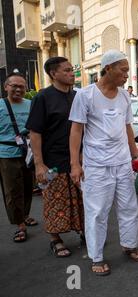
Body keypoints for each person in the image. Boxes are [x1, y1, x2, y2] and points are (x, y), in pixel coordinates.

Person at [69, 50, 138, 276]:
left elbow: (127, 127)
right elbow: (76, 130)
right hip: (97, 164)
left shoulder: (124, 96)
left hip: (122, 163)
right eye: (123, 70)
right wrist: (75, 163)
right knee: (97, 211)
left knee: (129, 206)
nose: (126, 75)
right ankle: (97, 256)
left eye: (127, 71)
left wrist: (135, 155)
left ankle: (129, 244)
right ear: (108, 68)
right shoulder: (85, 95)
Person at [26, 57, 84, 257]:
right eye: (67, 70)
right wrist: (39, 164)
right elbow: (35, 133)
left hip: (77, 159)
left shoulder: (78, 96)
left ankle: (85, 232)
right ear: (53, 74)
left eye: (72, 70)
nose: (72, 73)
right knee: (54, 202)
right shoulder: (42, 97)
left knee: (82, 199)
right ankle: (55, 239)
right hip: (52, 161)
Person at [0, 73, 37, 243]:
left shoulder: (30, 104)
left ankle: (25, 214)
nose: (18, 89)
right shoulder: (0, 105)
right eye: (14, 85)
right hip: (7, 154)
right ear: (5, 87)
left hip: (28, 152)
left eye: (22, 86)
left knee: (28, 186)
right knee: (12, 190)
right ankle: (20, 224)